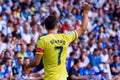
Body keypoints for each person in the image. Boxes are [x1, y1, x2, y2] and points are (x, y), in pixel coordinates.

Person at [25, 2, 91, 80]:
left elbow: (36, 62)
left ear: (45, 27)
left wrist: (27, 67)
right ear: (57, 26)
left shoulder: (42, 40)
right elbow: (83, 28)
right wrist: (86, 12)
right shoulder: (65, 37)